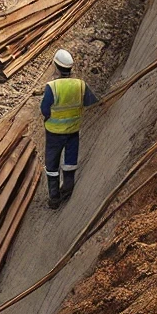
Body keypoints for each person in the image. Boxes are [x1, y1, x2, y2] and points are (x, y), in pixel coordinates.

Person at [41, 48, 99, 209]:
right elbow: (92, 103)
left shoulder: (52, 87)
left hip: (54, 133)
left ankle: (54, 198)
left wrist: (49, 117)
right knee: (70, 161)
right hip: (73, 130)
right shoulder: (80, 85)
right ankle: (68, 187)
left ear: (56, 66)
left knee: (52, 165)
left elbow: (44, 109)